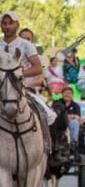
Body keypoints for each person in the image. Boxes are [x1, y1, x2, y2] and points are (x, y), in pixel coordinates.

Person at [1, 10, 52, 149]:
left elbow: (37, 68)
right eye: (4, 23)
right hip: (1, 91)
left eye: (10, 23)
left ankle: (47, 147)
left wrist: (18, 74)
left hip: (22, 89)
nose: (7, 26)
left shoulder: (26, 45)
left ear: (17, 25)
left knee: (47, 114)